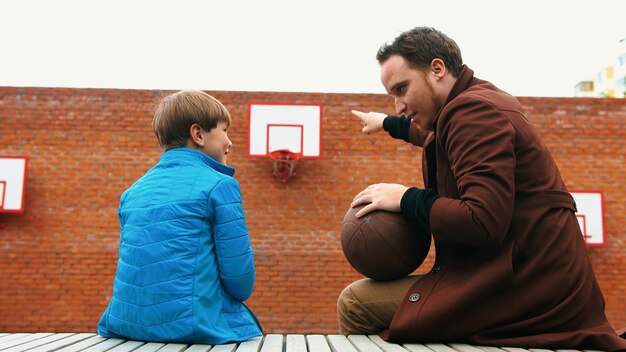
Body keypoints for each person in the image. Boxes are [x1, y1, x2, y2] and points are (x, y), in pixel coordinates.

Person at [337, 27, 626, 350]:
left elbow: (483, 220)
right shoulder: (472, 103)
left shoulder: (474, 113)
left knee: (355, 304)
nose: (399, 104)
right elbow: (435, 136)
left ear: (437, 69)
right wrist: (388, 123)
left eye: (402, 88)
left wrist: (406, 199)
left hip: (528, 288)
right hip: (531, 275)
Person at [98, 90, 262, 344]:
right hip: (193, 325)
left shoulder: (132, 192)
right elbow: (240, 281)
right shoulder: (220, 185)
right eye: (224, 130)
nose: (230, 142)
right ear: (198, 134)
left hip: (126, 322)